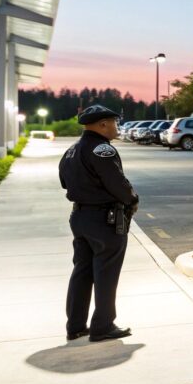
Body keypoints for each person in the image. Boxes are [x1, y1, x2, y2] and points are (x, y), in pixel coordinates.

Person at [59, 104, 139, 342]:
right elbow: (116, 182)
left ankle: (75, 326)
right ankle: (103, 326)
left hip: (80, 217)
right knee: (106, 272)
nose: (117, 126)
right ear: (102, 125)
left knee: (81, 271)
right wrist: (133, 200)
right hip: (104, 220)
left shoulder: (72, 150)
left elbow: (65, 182)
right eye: (115, 122)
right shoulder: (102, 149)